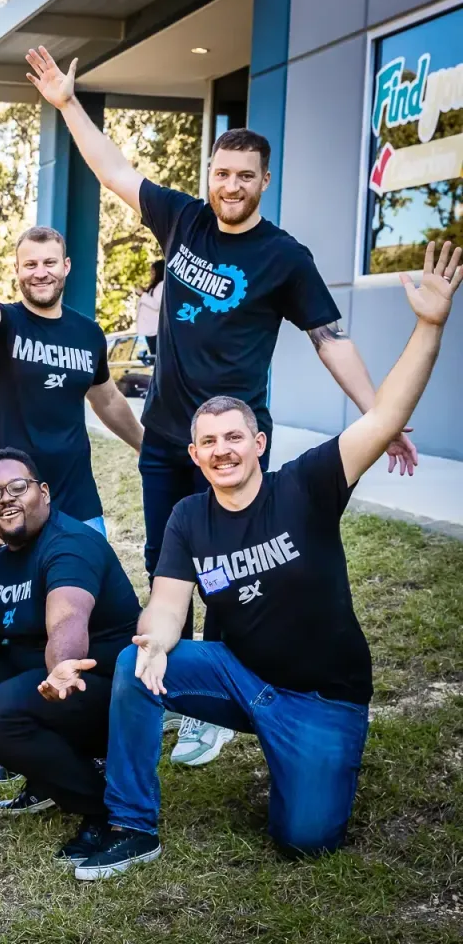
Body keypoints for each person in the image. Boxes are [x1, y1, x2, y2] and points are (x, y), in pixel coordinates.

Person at [24, 48, 419, 766]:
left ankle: (220, 703)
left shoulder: (283, 257)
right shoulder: (183, 219)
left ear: (264, 181)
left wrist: (379, 418)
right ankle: (173, 681)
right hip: (166, 440)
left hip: (234, 447)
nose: (230, 185)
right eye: (221, 173)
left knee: (233, 574)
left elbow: (330, 340)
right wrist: (68, 104)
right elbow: (113, 171)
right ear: (209, 174)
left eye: (244, 175)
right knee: (167, 567)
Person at [69, 242, 460, 881]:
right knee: (136, 667)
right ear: (194, 456)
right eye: (208, 442)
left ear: (259, 443)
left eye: (233, 438)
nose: (222, 451)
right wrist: (157, 642)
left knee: (304, 840)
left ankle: (302, 765)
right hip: (240, 676)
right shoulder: (189, 517)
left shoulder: (307, 485)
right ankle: (132, 825)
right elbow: (167, 603)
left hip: (321, 699)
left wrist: (430, 326)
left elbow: (387, 414)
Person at [0, 448, 139, 855]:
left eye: (17, 487)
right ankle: (51, 775)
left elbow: (68, 617)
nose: (5, 499)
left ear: (43, 492)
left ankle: (100, 807)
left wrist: (62, 667)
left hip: (100, 688)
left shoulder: (69, 544)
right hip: (44, 683)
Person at [0, 187, 143, 534]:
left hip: (78, 501)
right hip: (14, 501)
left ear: (66, 266)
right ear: (16, 270)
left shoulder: (88, 333)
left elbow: (107, 399)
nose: (40, 273)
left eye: (49, 263)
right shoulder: (0, 325)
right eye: (30, 265)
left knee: (90, 571)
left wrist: (145, 446)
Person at [137, 260, 163, 354]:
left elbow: (156, 305)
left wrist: (143, 294)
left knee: (155, 354)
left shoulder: (161, 285)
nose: (151, 275)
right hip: (150, 330)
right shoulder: (155, 286)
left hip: (155, 330)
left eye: (153, 273)